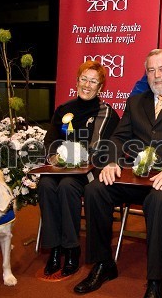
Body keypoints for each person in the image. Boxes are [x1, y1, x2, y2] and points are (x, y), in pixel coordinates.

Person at [73, 49, 162, 298]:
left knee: (158, 201)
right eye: (151, 70)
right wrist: (111, 161)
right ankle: (103, 264)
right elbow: (119, 138)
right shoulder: (136, 102)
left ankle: (155, 283)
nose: (157, 75)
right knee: (95, 189)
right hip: (137, 175)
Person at [39, 60, 120, 277]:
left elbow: (98, 149)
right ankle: (54, 248)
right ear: (76, 81)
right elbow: (50, 141)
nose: (87, 84)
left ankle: (71, 247)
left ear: (100, 88)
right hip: (61, 168)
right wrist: (55, 156)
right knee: (45, 183)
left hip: (88, 171)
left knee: (67, 186)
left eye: (93, 81)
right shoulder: (63, 109)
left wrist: (77, 161)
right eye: (83, 79)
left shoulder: (107, 113)